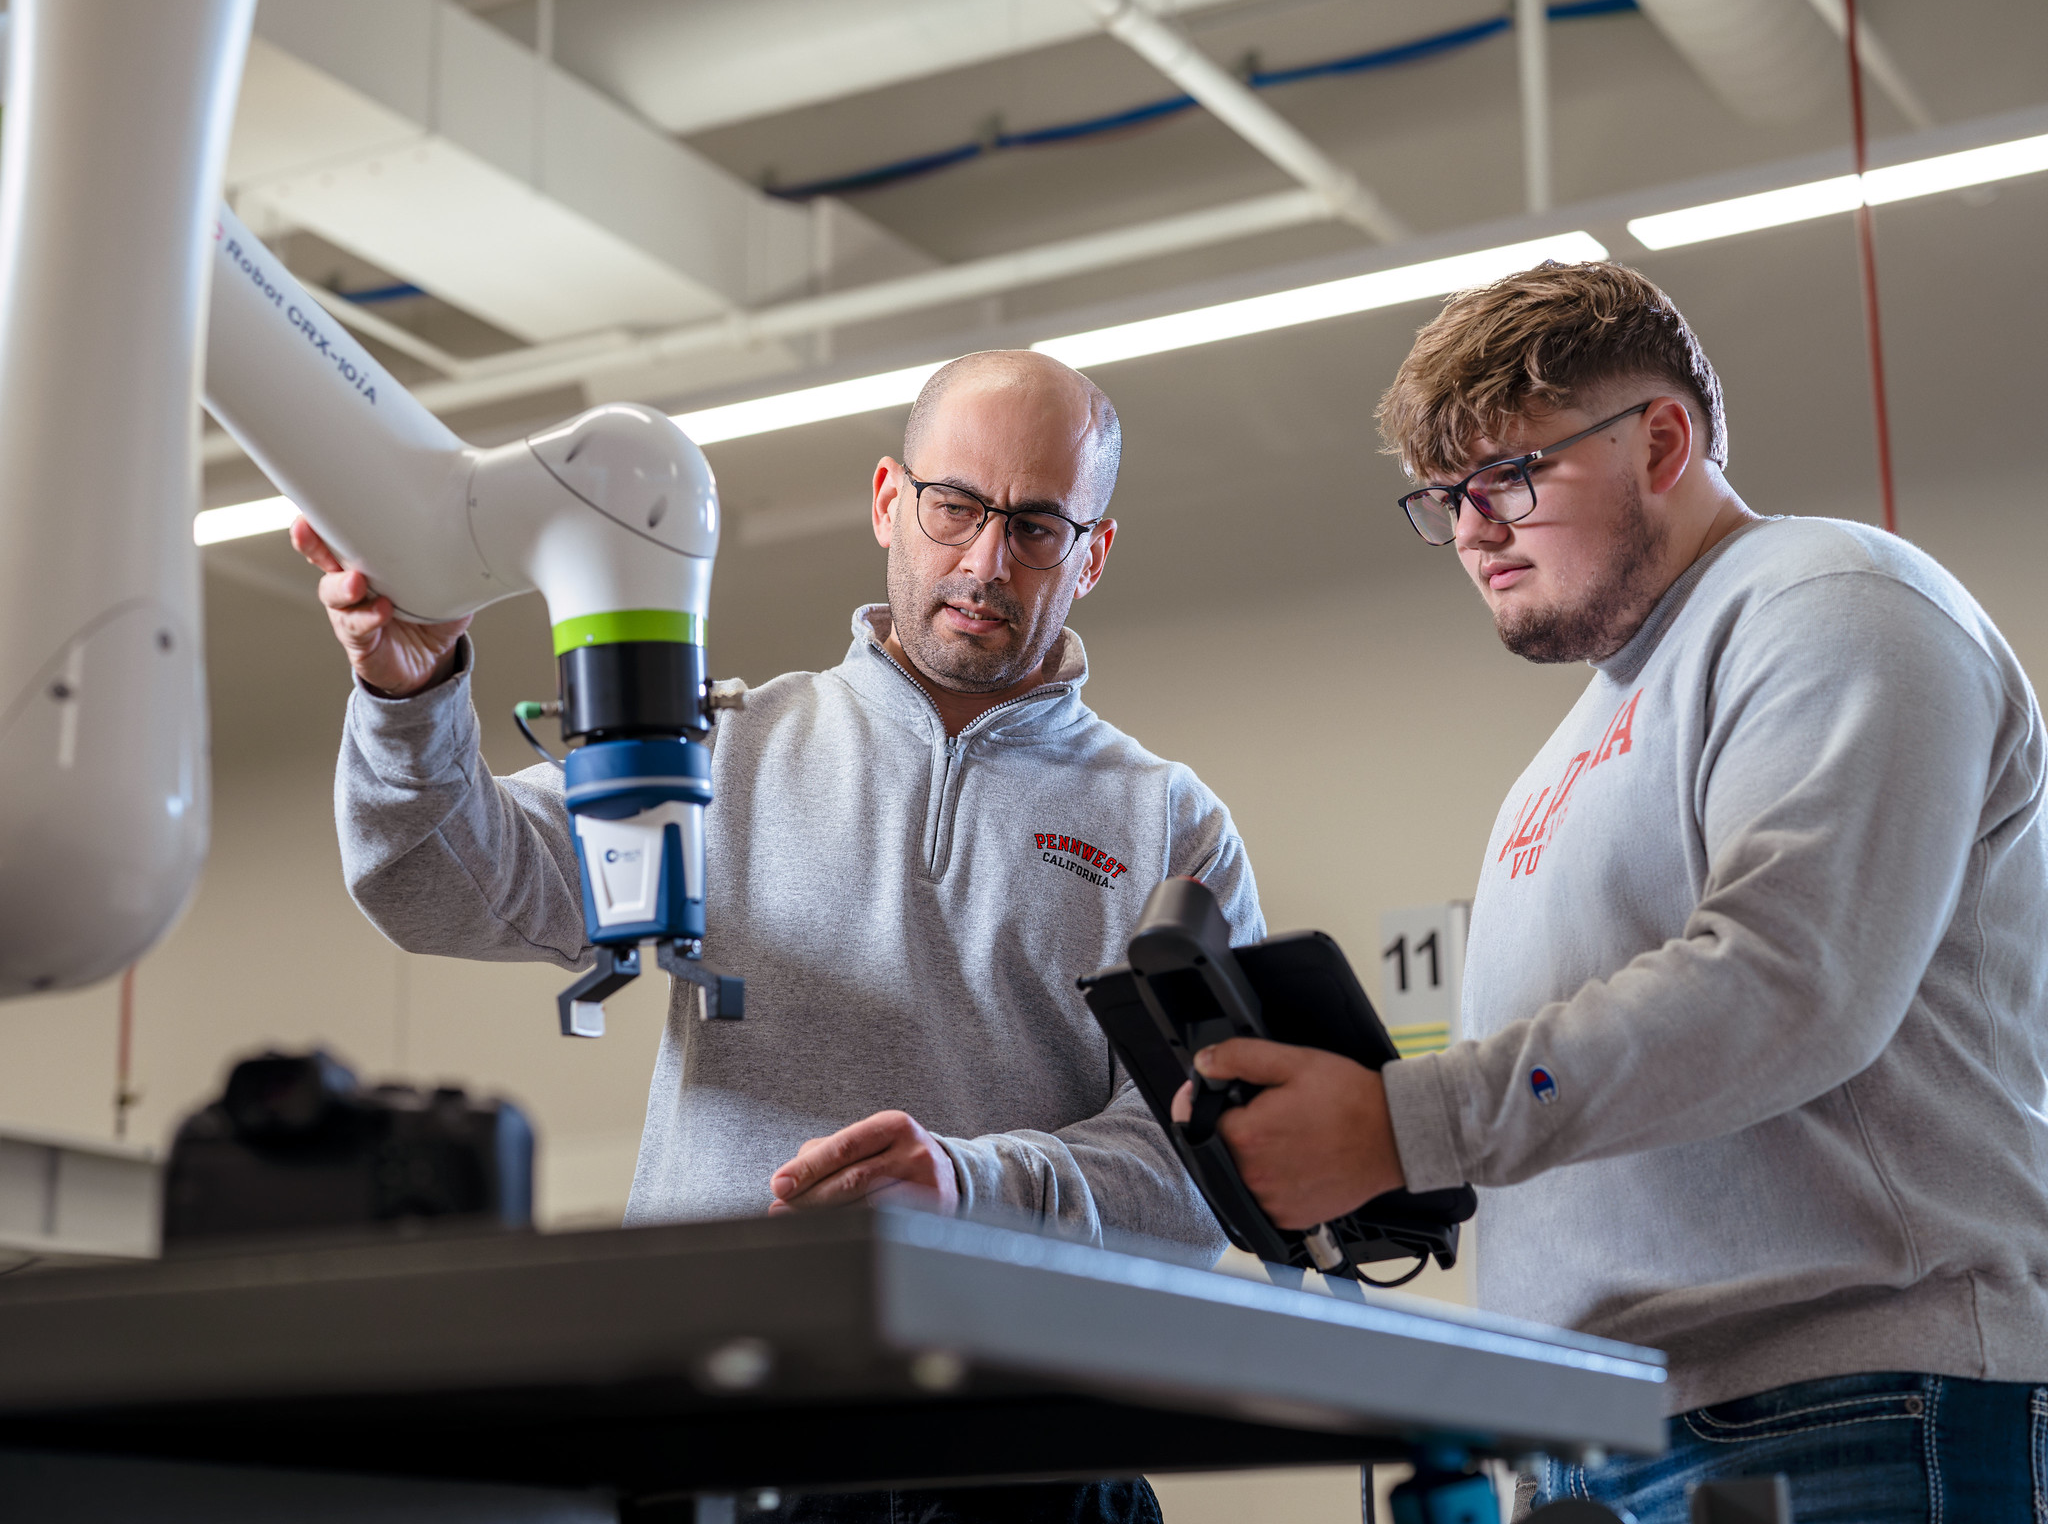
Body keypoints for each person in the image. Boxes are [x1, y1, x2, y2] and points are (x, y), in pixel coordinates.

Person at [295, 349, 1260, 1524]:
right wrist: (410, 701)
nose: (983, 561)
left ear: (1091, 553)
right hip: (714, 1429)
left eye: (1035, 527)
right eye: (954, 506)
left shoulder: (1167, 826)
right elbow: (434, 886)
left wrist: (970, 1188)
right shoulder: (720, 748)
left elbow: (1209, 1166)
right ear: (887, 500)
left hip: (1014, 1454)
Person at [1181, 263, 2048, 1522]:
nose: (1472, 529)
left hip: (1850, 1404)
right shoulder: (1573, 746)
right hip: (1599, 1435)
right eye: (1443, 497)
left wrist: (1405, 1122)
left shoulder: (1831, 603)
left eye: (1508, 476)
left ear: (1660, 441)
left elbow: (1786, 983)